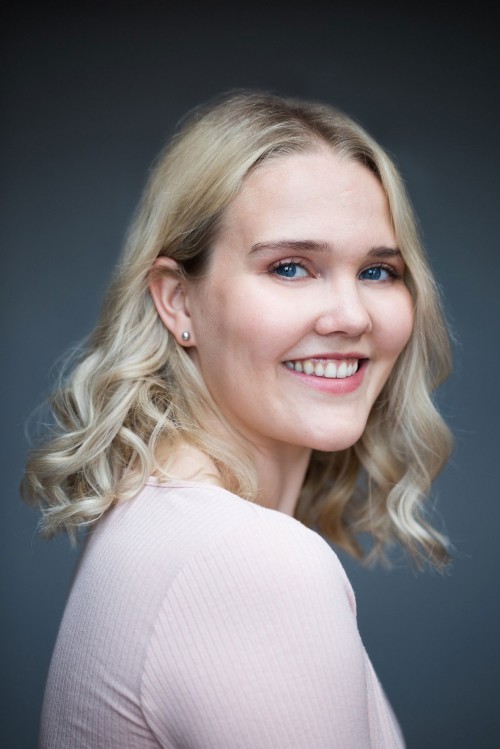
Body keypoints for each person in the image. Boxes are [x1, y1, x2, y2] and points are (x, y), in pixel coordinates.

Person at [22, 90, 452, 748]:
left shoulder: (162, 522)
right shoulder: (247, 562)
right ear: (177, 301)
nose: (352, 316)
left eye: (377, 270)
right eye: (290, 267)